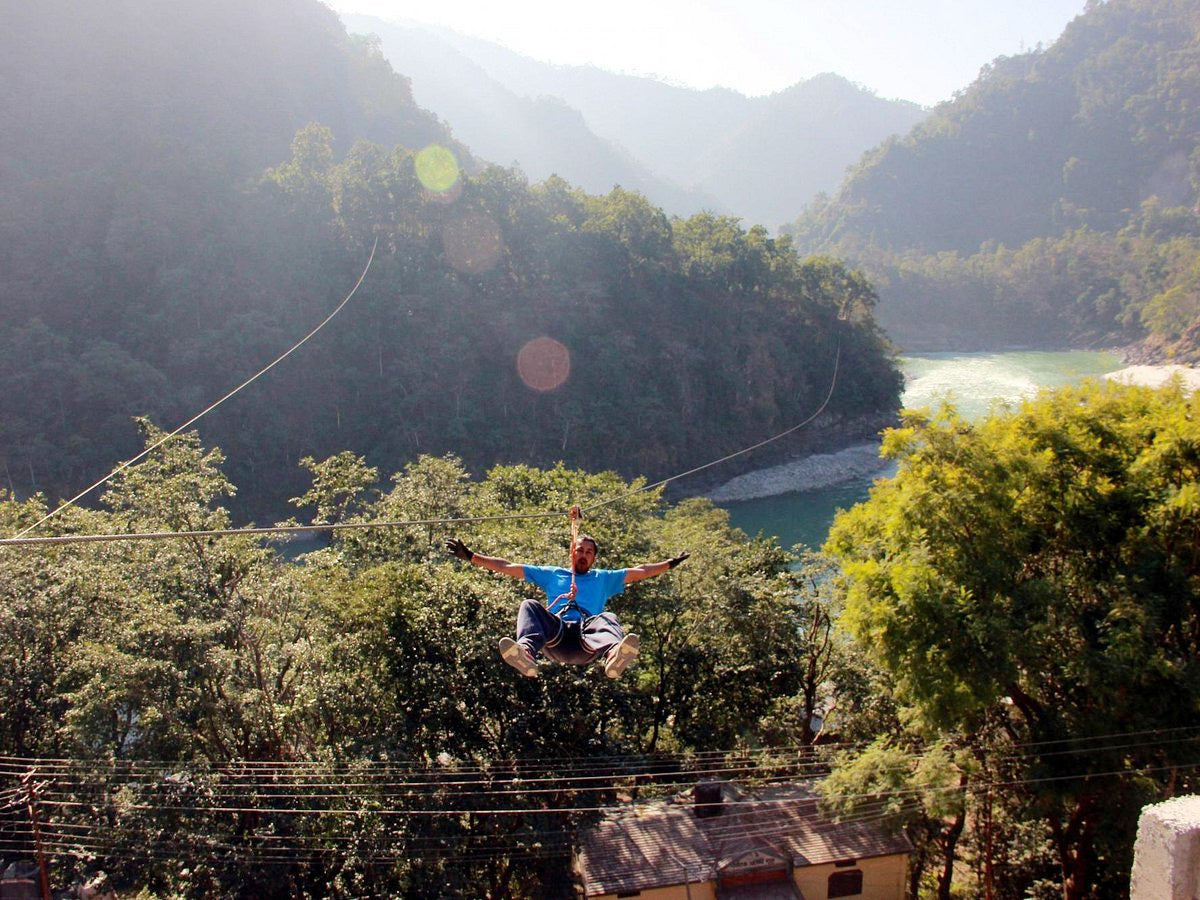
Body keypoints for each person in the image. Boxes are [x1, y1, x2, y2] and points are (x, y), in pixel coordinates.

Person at [445, 512, 688, 679]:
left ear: (594, 558)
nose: (583, 555)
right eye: (580, 550)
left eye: (588, 552)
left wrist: (669, 564)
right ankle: (526, 653)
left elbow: (640, 571)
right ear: (572, 553)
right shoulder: (553, 574)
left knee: (607, 616)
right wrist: (473, 557)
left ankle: (614, 655)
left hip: (587, 640)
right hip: (556, 637)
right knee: (529, 605)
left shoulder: (603, 578)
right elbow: (508, 566)